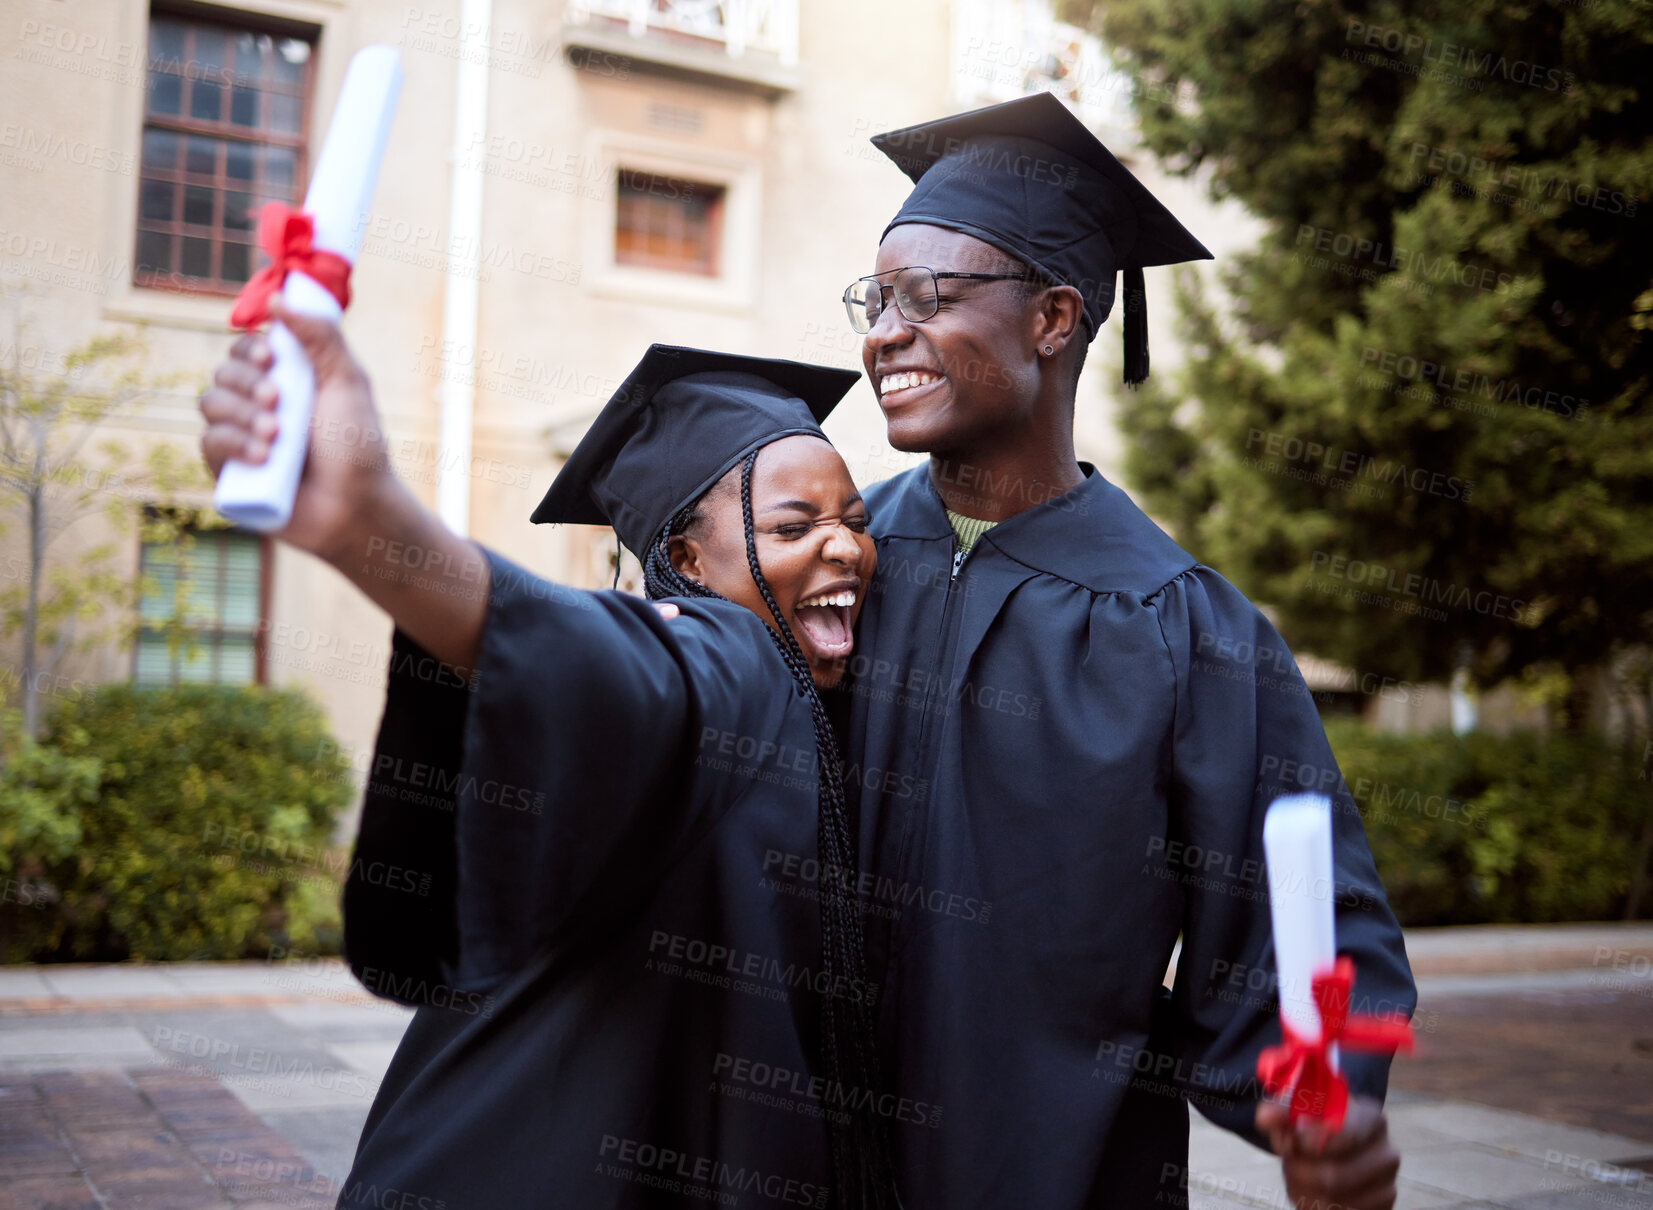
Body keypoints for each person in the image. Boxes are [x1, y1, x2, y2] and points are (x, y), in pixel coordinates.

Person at [820, 92, 1418, 1209]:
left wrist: (1329, 1096)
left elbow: (1305, 921)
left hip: (1060, 1175)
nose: (882, 331)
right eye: (876, 296)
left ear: (1054, 317)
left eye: (927, 296)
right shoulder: (825, 564)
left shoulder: (1187, 629)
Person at [198, 314, 905, 1209]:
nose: (844, 545)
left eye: (853, 519)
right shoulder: (727, 656)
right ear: (684, 559)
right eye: (795, 524)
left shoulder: (804, 694)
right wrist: (374, 525)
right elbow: (617, 664)